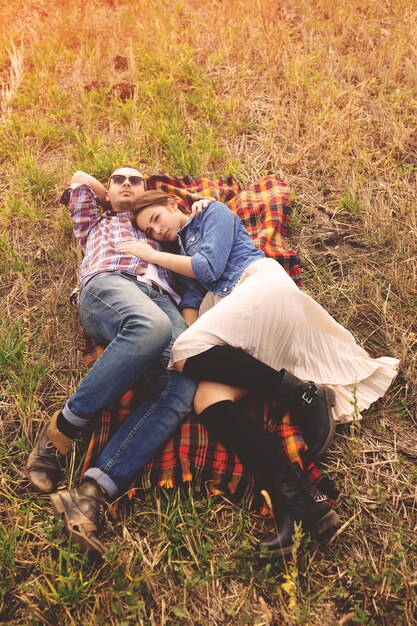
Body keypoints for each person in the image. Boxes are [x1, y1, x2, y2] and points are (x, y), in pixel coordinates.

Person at [121, 190, 400, 556]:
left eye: (157, 218)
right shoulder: (176, 253)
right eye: (150, 232)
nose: (158, 231)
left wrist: (151, 256)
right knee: (208, 400)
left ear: (174, 204)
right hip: (244, 328)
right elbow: (191, 299)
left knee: (185, 351)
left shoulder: (212, 214)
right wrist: (187, 341)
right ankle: (298, 501)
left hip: (261, 289)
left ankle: (304, 395)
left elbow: (207, 269)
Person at [26, 168, 201, 558]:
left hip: (162, 300)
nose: (126, 184)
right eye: (118, 179)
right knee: (149, 326)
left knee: (182, 387)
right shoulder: (98, 221)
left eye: (135, 181)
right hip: (109, 285)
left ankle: (93, 492)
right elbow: (76, 178)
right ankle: (62, 431)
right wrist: (106, 194)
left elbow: (196, 256)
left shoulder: (161, 230)